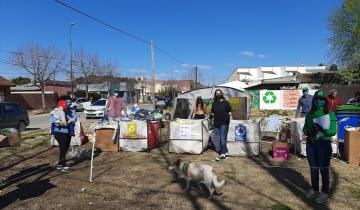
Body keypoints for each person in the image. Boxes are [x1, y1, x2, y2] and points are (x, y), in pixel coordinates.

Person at [303, 90, 336, 204]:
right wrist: (308, 130)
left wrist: (323, 129)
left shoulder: (330, 113)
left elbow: (333, 131)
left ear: (325, 101)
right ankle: (315, 189)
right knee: (313, 169)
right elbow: (304, 128)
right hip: (311, 144)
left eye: (321, 99)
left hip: (323, 144)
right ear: (313, 100)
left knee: (323, 169)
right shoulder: (309, 113)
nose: (318, 101)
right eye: (316, 99)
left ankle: (324, 192)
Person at [50, 99, 74, 172]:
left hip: (66, 132)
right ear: (59, 106)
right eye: (63, 106)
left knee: (63, 149)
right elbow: (52, 120)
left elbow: (73, 119)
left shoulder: (63, 111)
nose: (64, 107)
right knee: (63, 148)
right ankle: (63, 166)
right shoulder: (55, 112)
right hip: (59, 132)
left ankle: (60, 165)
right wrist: (59, 122)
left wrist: (69, 120)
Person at [210, 89, 232, 161]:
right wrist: (211, 115)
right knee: (222, 138)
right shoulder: (214, 103)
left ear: (222, 94)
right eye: (217, 93)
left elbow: (229, 112)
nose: (218, 94)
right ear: (215, 95)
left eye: (219, 93)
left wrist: (227, 117)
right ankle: (226, 152)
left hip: (224, 122)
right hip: (217, 122)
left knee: (222, 138)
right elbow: (213, 112)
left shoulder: (226, 103)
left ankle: (222, 154)